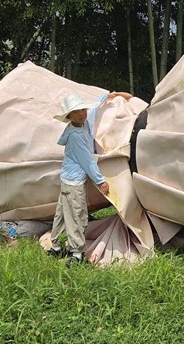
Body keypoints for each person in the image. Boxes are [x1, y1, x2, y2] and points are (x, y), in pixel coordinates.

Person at [50, 92, 111, 266]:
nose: (82, 113)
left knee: (62, 213)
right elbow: (87, 160)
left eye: (83, 109)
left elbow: (93, 110)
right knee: (76, 216)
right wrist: (100, 181)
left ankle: (55, 247)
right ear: (69, 116)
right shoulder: (75, 136)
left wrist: (107, 96)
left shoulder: (82, 123)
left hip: (68, 178)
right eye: (76, 112)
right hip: (74, 182)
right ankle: (77, 254)